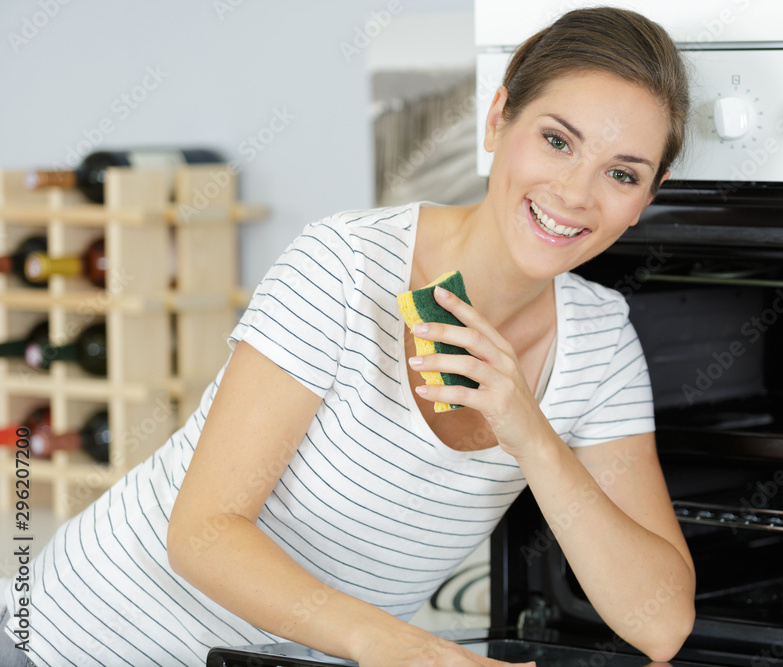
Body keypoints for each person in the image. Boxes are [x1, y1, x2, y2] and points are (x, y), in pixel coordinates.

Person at [1, 6, 695, 666]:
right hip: (75, 639)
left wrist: (530, 431)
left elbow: (659, 622)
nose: (577, 193)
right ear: (496, 118)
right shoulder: (344, 265)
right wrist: (400, 646)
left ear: (647, 197)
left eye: (621, 173)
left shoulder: (600, 344)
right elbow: (204, 533)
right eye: (556, 140)